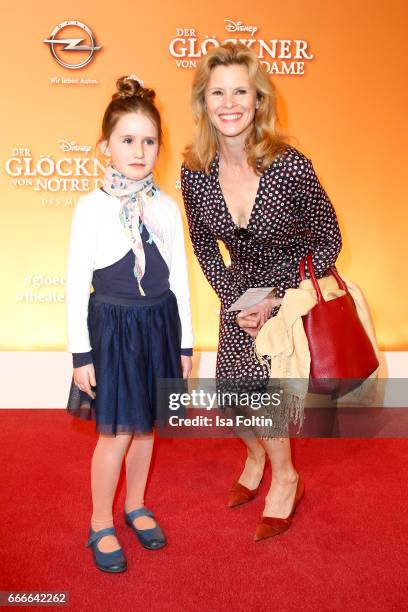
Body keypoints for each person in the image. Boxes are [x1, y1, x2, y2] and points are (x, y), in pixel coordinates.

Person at [181, 43, 342, 541]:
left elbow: (330, 239)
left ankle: (285, 477)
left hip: (288, 290)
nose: (229, 103)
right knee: (232, 397)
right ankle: (255, 457)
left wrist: (276, 298)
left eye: (240, 92)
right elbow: (205, 246)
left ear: (258, 101)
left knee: (262, 394)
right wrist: (236, 300)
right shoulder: (194, 170)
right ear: (204, 103)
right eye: (217, 93)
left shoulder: (290, 166)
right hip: (238, 294)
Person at [66, 75, 193, 572]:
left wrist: (185, 344)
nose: (138, 150)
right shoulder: (90, 208)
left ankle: (135, 505)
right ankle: (101, 522)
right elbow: (77, 282)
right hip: (113, 331)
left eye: (148, 141)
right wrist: (82, 353)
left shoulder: (166, 206)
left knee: (146, 431)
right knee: (116, 432)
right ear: (105, 146)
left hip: (158, 327)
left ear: (159, 147)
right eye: (127, 139)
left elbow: (179, 280)